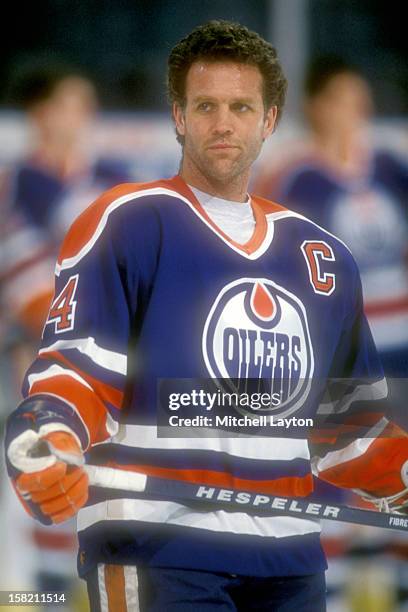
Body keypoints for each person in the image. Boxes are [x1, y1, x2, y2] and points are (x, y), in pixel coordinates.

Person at [4, 21, 408, 611]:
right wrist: (47, 428)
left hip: (289, 557)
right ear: (178, 115)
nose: (224, 123)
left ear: (269, 120)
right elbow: (76, 374)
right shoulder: (129, 222)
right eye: (206, 106)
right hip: (158, 546)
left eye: (242, 107)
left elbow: (350, 429)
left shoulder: (321, 256)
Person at [0, 61, 131, 602]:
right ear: (40, 113)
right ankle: (42, 595)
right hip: (39, 353)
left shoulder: (116, 178)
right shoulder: (17, 185)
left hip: (112, 358)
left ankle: (96, 587)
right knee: (39, 476)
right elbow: (25, 281)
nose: (81, 117)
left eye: (87, 105)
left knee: (104, 476)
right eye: (69, 103)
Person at [254, 55, 408, 378]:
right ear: (317, 106)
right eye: (343, 101)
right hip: (341, 345)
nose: (356, 112)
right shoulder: (291, 176)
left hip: (401, 336)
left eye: (359, 101)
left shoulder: (388, 166)